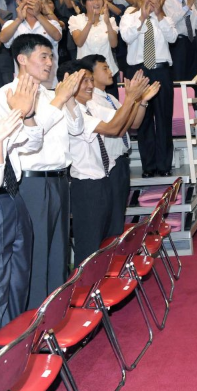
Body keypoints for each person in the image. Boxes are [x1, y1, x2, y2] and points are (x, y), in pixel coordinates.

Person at [0, 34, 84, 308]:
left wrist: (68, 99)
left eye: (52, 57)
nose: (50, 63)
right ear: (22, 60)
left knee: (58, 257)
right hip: (31, 184)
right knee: (35, 260)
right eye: (44, 57)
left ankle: (57, 323)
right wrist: (59, 101)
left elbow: (77, 129)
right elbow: (27, 139)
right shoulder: (7, 95)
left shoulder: (52, 94)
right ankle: (34, 327)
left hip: (60, 180)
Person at [59, 61, 153, 264]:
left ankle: (105, 288)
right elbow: (112, 129)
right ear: (68, 82)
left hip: (104, 179)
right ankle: (86, 293)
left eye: (90, 80)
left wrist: (136, 100)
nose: (90, 85)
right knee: (90, 248)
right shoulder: (72, 112)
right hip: (86, 186)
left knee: (110, 241)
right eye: (84, 81)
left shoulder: (91, 106)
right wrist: (131, 98)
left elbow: (122, 127)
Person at [84, 54, 154, 238]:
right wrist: (133, 98)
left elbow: (133, 125)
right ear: (91, 74)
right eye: (105, 68)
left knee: (118, 216)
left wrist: (141, 101)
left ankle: (117, 261)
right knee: (111, 222)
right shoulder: (91, 101)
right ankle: (111, 262)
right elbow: (117, 127)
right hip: (109, 165)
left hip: (121, 161)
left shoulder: (110, 98)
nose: (111, 72)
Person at [119, 0, 177, 178]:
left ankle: (164, 165)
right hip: (139, 72)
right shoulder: (129, 18)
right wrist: (142, 18)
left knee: (163, 119)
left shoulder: (165, 18)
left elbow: (173, 38)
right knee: (142, 121)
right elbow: (127, 37)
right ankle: (149, 167)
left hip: (161, 72)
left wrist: (159, 15)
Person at [0, 73, 42, 327]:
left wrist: (26, 115)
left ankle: (14, 342)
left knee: (18, 277)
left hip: (13, 196)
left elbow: (32, 142)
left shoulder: (6, 99)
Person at [68, 0, 120, 98]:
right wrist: (90, 22)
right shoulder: (76, 20)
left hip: (108, 72)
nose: (96, 2)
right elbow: (79, 42)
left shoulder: (110, 20)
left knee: (112, 107)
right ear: (83, 2)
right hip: (85, 74)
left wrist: (107, 23)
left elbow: (114, 44)